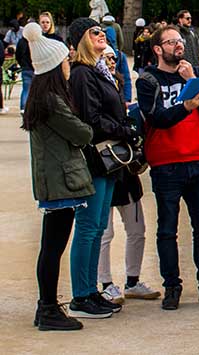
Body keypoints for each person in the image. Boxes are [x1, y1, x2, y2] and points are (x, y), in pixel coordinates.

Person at [136, 25, 199, 310]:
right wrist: (186, 106)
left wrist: (194, 79)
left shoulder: (194, 74)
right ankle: (172, 286)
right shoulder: (148, 79)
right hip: (166, 164)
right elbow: (156, 118)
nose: (178, 46)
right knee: (167, 229)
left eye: (180, 41)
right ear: (157, 49)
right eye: (171, 42)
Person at [22, 22, 94, 331]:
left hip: (54, 179)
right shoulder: (51, 101)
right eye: (65, 60)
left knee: (51, 247)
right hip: (60, 180)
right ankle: (48, 308)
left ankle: (47, 307)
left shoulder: (42, 98)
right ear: (54, 66)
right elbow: (82, 133)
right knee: (53, 248)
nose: (69, 64)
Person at [67, 17, 140, 319]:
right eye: (94, 31)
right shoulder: (83, 73)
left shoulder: (99, 71)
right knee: (88, 228)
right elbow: (91, 120)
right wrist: (125, 130)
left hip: (107, 161)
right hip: (96, 158)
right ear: (81, 39)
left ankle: (89, 291)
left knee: (97, 227)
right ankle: (80, 296)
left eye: (102, 31)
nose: (102, 35)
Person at [97, 47, 160, 304]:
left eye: (113, 58)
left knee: (137, 228)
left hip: (126, 170)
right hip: (104, 165)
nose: (111, 62)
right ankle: (105, 283)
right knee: (104, 231)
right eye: (106, 58)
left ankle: (132, 281)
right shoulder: (89, 85)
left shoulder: (118, 85)